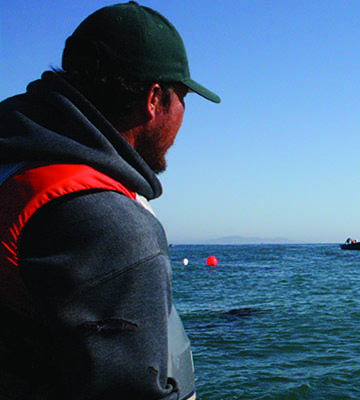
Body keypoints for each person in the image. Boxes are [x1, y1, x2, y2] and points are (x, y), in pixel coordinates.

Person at [0, 2, 219, 399]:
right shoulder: (106, 225)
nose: (184, 115)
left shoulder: (14, 162)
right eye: (183, 97)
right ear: (154, 99)